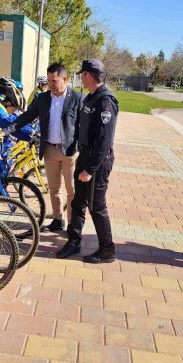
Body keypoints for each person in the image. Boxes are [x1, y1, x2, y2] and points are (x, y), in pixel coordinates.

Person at [56, 59, 119, 264]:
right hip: (85, 157)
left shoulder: (105, 101)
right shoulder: (91, 98)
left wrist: (90, 169)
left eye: (82, 74)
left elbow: (104, 141)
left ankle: (107, 249)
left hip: (97, 163)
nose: (81, 78)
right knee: (78, 202)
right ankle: (74, 241)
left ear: (89, 76)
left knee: (96, 206)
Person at [9, 63, 83, 232]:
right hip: (49, 151)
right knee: (54, 189)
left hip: (70, 152)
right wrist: (7, 131)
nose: (51, 84)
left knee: (72, 191)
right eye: (49, 81)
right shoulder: (43, 98)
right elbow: (26, 117)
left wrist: (81, 149)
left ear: (64, 79)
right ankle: (58, 219)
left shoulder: (77, 99)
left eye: (54, 81)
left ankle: (72, 225)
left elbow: (83, 126)